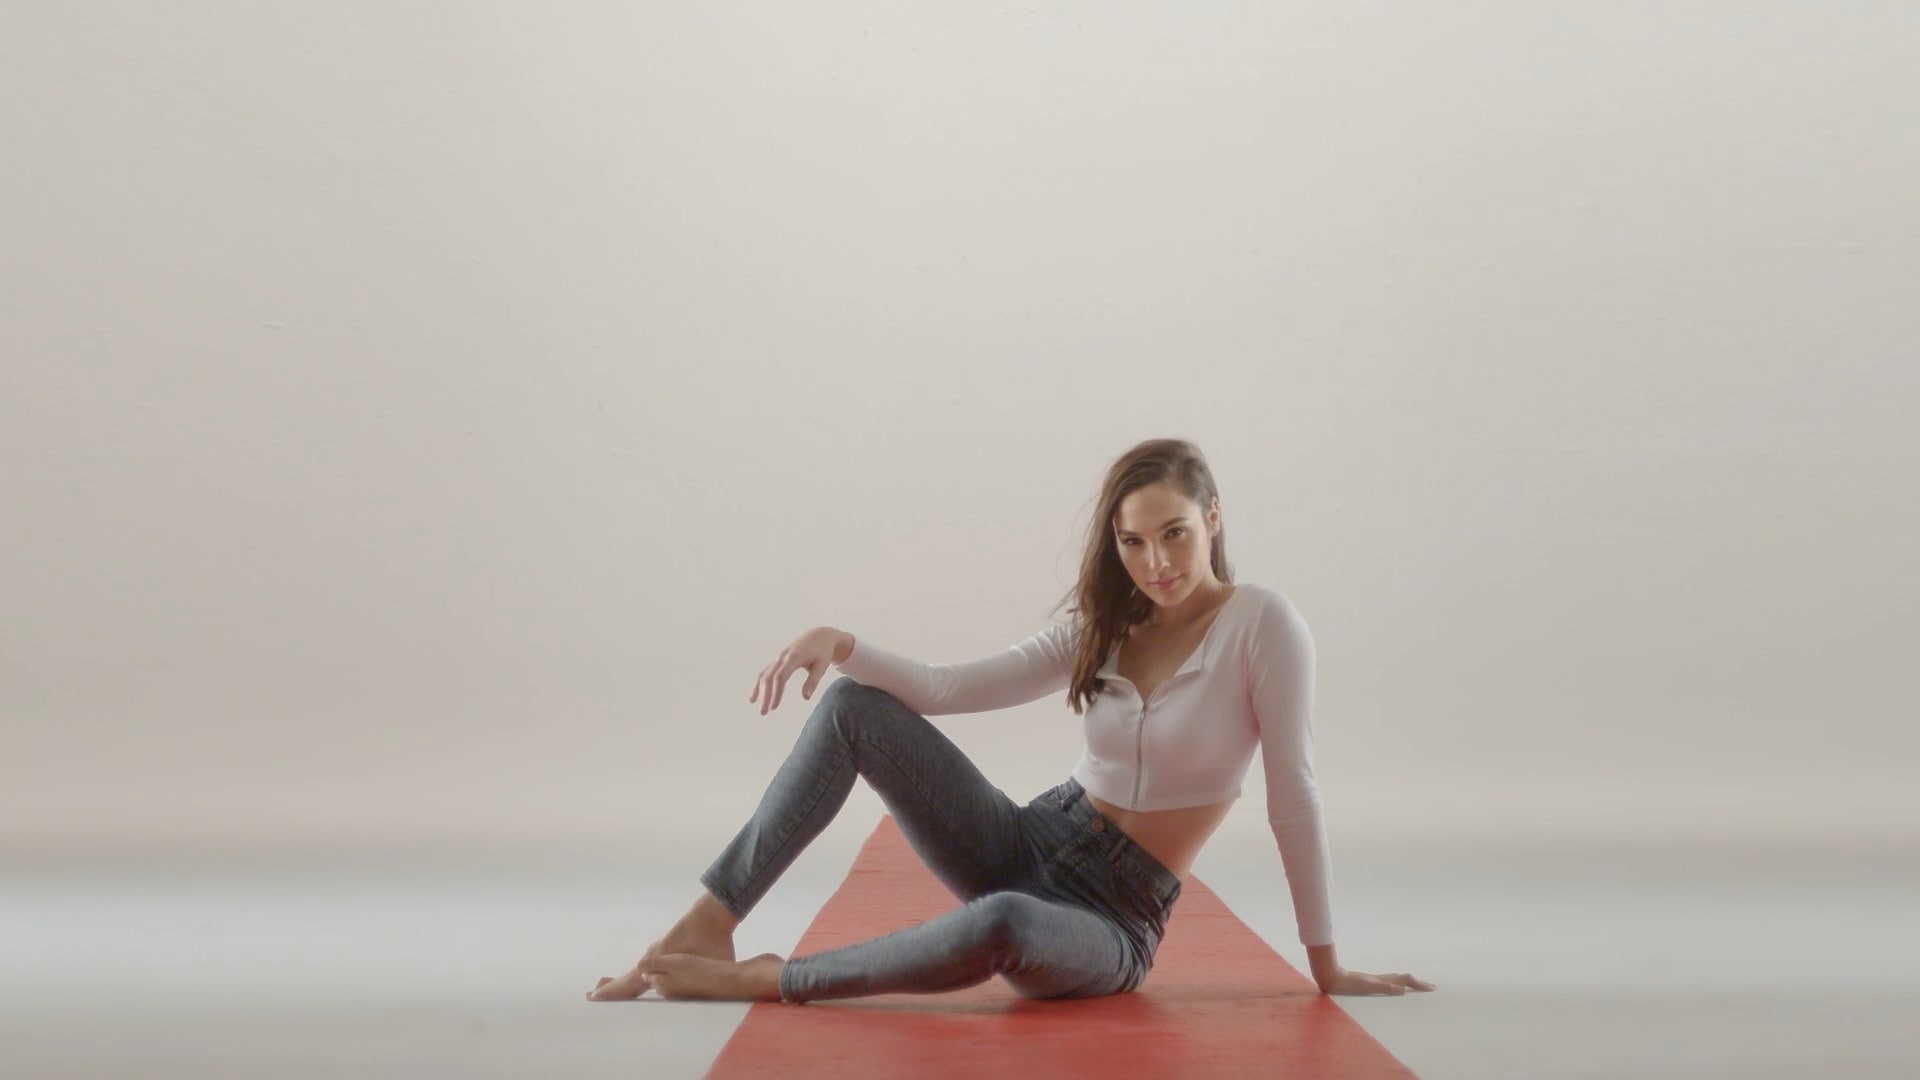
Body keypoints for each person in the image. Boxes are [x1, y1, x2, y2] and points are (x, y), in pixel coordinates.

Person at [587, 438, 1435, 1004]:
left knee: (1004, 924)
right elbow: (946, 687)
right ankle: (706, 925)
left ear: (1213, 516)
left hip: (1111, 918)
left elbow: (1295, 794)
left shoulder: (1263, 625)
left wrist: (1327, 967)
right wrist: (843, 643)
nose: (1157, 563)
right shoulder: (1105, 624)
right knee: (852, 707)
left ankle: (775, 980)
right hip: (1028, 838)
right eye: (1133, 542)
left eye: (1175, 533)